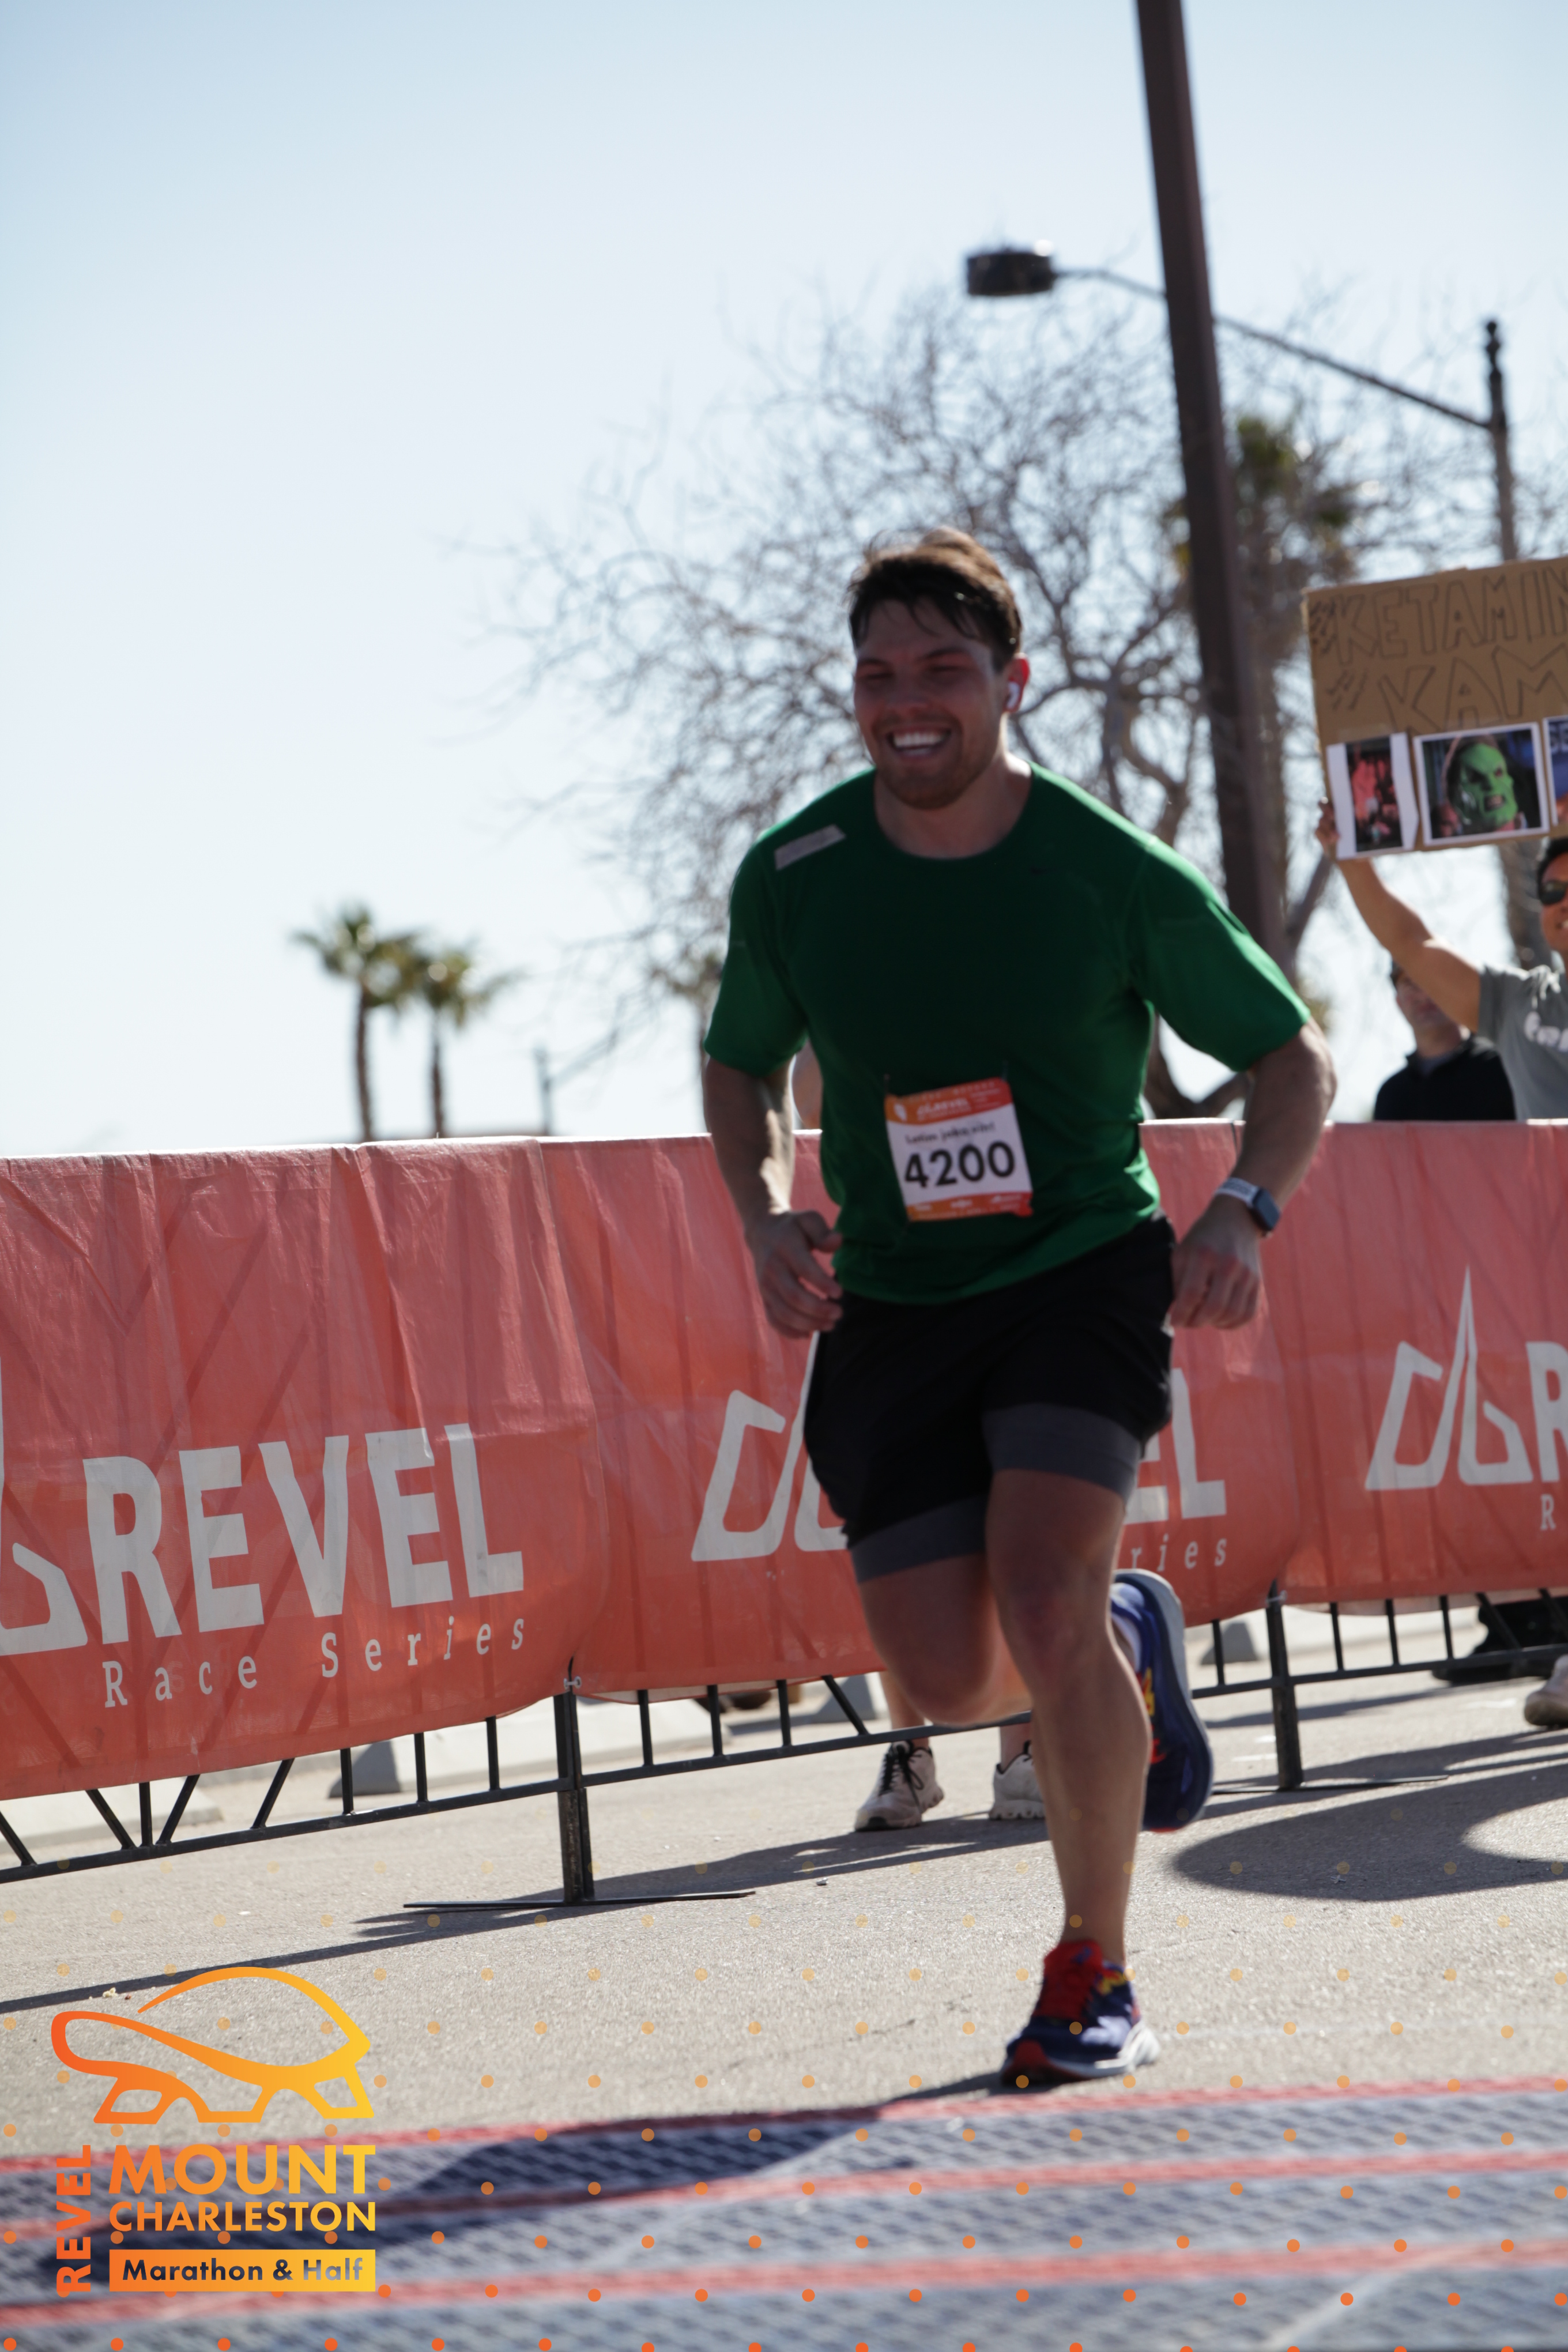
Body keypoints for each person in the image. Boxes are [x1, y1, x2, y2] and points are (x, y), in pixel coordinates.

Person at [703, 529, 1334, 2086]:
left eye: (944, 667)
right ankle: (1130, 1633)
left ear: (1012, 682)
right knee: (946, 1679)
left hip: (1076, 1272)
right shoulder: (796, 872)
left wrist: (1242, 1206)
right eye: (878, 674)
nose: (906, 700)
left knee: (1042, 1597)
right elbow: (740, 1063)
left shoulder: (1104, 866)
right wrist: (765, 1208)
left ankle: (1091, 1968)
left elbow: (1292, 1057)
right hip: (893, 1298)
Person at [1319, 801, 1568, 1727]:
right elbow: (1411, 942)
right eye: (1553, 890)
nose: (1565, 903)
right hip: (1549, 1276)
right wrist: (1350, 860)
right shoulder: (1519, 1005)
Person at [794, 1038, 1043, 1826]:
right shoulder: (848, 1021)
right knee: (892, 1533)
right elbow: (808, 1098)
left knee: (1012, 1522)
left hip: (1003, 1286)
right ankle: (910, 1755)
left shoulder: (997, 1013)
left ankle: (1024, 1753)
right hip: (888, 1304)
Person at [1374, 965, 1516, 1123]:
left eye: (1433, 980)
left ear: (1460, 990)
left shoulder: (1504, 1069)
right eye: (1410, 984)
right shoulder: (1391, 1096)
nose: (1423, 994)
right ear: (1399, 1002)